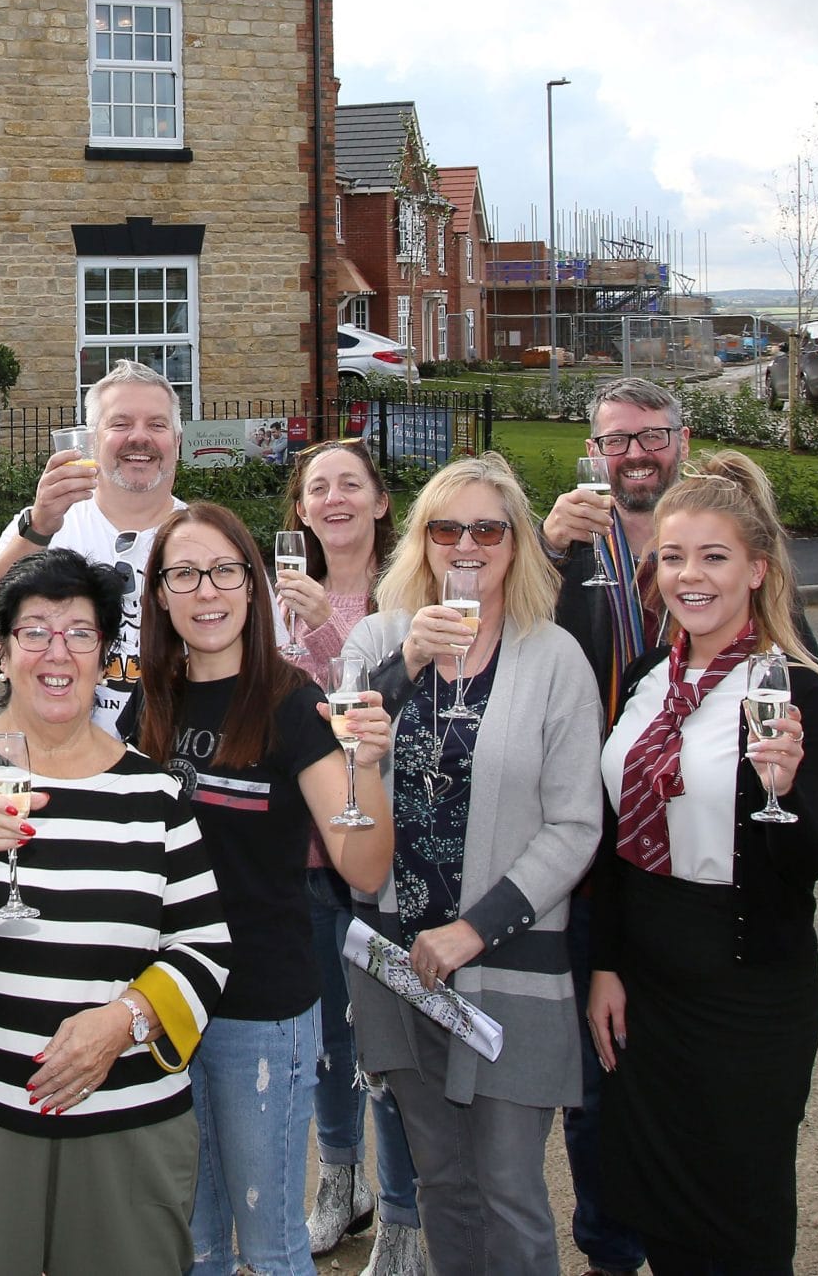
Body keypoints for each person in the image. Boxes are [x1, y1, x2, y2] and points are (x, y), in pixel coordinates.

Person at [0, 548, 232, 1276]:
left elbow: (204, 948)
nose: (56, 651)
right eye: (34, 630)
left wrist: (124, 1020)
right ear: (2, 651)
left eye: (78, 631)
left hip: (125, 1124)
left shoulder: (154, 794)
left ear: (106, 654)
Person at [539, 378, 817, 1276]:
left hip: (732, 948)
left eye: (652, 435)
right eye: (616, 439)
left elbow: (802, 843)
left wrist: (781, 789)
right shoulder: (580, 569)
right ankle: (612, 1252)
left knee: (727, 1157)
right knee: (618, 1113)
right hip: (617, 901)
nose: (635, 453)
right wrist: (544, 554)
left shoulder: (772, 649)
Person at [588, 454, 818, 1276]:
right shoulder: (645, 680)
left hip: (744, 989)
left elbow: (806, 863)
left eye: (713, 557)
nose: (690, 576)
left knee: (739, 1214)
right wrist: (603, 962)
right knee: (658, 1204)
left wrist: (784, 788)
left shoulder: (796, 694)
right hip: (646, 980)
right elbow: (609, 843)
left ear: (756, 568)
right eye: (673, 557)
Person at [341, 453, 604, 1276]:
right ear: (420, 542)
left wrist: (474, 930)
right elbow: (339, 764)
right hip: (397, 963)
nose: (466, 545)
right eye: (446, 527)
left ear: (516, 543)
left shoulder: (554, 656)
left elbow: (574, 823)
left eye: (487, 528)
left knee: (509, 1187)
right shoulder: (379, 640)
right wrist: (406, 666)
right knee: (442, 1182)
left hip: (507, 966)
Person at [132, 503, 393, 1276]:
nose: (205, 590)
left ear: (253, 584)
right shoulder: (148, 705)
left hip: (261, 1009)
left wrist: (367, 763)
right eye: (184, 573)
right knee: (195, 1242)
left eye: (224, 570)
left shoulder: (294, 703)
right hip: (166, 1002)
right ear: (161, 594)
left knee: (271, 1244)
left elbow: (366, 867)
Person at [272, 441, 414, 1267]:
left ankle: (402, 1213)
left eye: (349, 484)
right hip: (304, 850)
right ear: (300, 510)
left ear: (381, 501)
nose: (332, 499)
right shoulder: (276, 595)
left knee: (388, 1039)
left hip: (389, 850)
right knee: (322, 1032)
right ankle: (340, 1183)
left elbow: (381, 698)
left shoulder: (412, 593)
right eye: (316, 487)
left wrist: (327, 625)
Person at [0, 359, 185, 731]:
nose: (139, 437)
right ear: (92, 438)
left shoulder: (208, 539)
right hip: (54, 763)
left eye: (157, 424)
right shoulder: (46, 526)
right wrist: (38, 529)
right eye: (120, 423)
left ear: (178, 441)